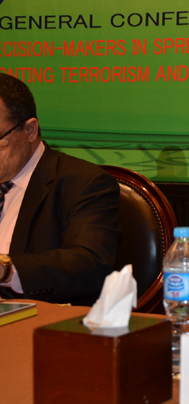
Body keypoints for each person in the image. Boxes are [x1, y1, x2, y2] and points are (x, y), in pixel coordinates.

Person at [0, 73, 120, 305]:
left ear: (30, 131)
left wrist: (7, 270)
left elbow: (90, 264)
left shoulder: (84, 183)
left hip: (36, 319)